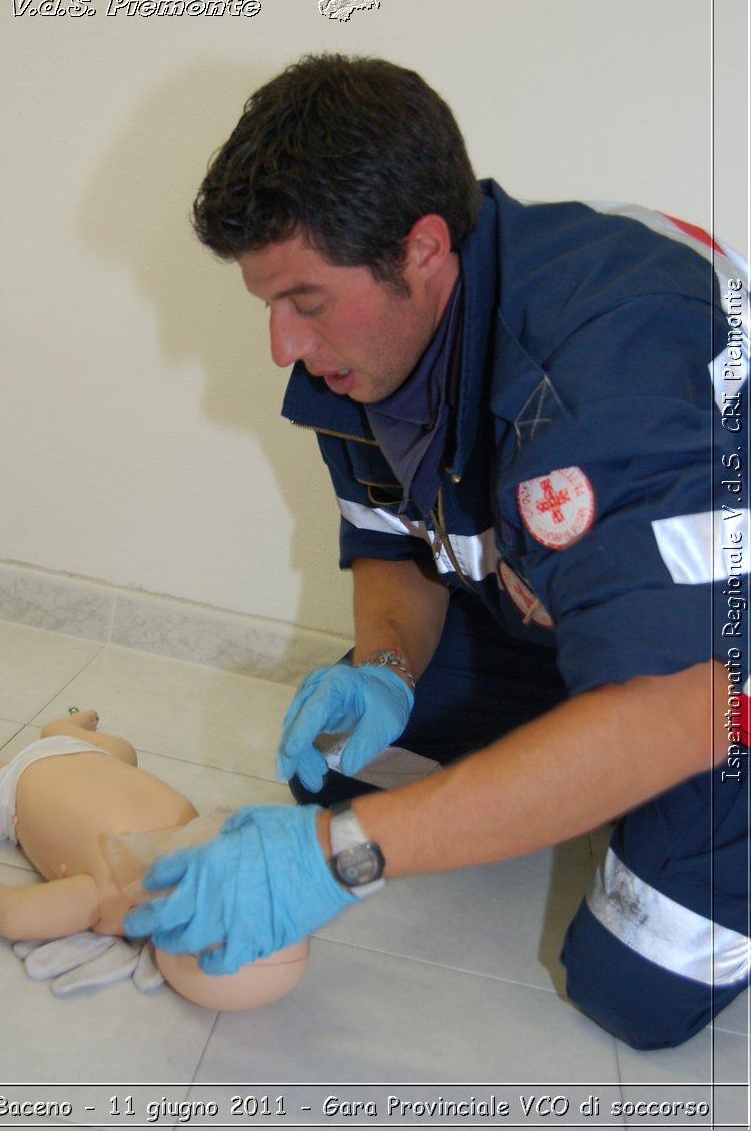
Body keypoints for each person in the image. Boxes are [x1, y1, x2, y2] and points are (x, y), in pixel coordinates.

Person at [126, 53, 750, 1049]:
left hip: (722, 670)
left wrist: (343, 862)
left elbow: (697, 701)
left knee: (632, 991)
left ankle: (607, 760)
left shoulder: (604, 364)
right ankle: (582, 746)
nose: (282, 345)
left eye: (306, 302)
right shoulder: (371, 351)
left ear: (419, 249)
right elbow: (396, 544)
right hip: (582, 618)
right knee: (339, 772)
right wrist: (382, 666)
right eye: (267, 306)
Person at [0, 709, 308, 1010]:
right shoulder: (116, 898)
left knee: (121, 751)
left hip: (54, 770)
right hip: (49, 772)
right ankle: (61, 729)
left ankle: (62, 728)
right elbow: (13, 917)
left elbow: (13, 916)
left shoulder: (200, 839)